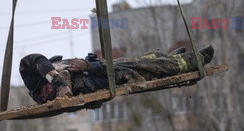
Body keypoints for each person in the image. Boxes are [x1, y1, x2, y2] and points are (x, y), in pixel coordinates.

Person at [19, 46, 214, 105]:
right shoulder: (44, 93)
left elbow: (35, 60)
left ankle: (169, 58)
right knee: (143, 66)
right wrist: (86, 67)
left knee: (142, 59)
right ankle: (190, 61)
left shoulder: (40, 72)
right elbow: (105, 75)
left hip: (96, 68)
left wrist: (59, 78)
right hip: (105, 75)